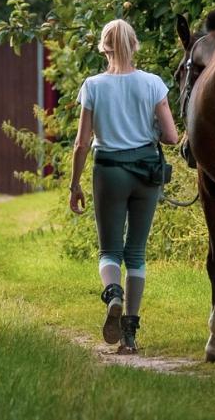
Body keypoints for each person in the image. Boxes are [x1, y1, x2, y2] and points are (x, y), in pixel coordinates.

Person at [69, 18, 178, 353]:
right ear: (134, 46)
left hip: (109, 172)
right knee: (137, 253)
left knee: (109, 251)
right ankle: (129, 335)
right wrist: (150, 130)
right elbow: (172, 137)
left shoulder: (93, 86)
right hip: (145, 172)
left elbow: (82, 143)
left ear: (104, 47)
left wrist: (75, 185)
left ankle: (112, 294)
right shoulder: (153, 84)